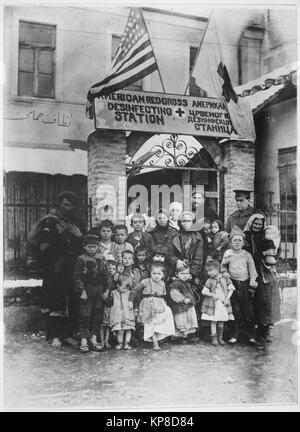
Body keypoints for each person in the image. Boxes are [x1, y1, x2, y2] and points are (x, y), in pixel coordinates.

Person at [25, 191, 85, 348]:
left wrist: (79, 235)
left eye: (71, 205)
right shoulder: (49, 221)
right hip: (54, 267)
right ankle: (54, 335)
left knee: (72, 301)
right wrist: (56, 236)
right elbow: (40, 244)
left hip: (72, 268)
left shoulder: (78, 223)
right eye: (65, 204)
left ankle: (68, 334)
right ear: (60, 204)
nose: (67, 208)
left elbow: (86, 247)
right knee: (54, 301)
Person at [244, 214, 281, 343]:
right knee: (249, 302)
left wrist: (273, 258)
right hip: (247, 269)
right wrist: (260, 254)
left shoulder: (265, 236)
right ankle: (249, 331)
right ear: (251, 223)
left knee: (264, 301)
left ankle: (264, 330)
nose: (257, 226)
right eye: (255, 224)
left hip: (263, 272)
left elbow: (275, 251)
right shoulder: (246, 236)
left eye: (260, 224)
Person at [221, 226, 259, 346]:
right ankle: (234, 335)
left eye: (239, 240)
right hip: (233, 284)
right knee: (235, 310)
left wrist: (253, 279)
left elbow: (252, 269)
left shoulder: (247, 255)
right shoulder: (228, 253)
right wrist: (225, 272)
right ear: (231, 242)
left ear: (244, 242)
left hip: (245, 284)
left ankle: (251, 335)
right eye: (234, 240)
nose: (237, 242)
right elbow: (222, 266)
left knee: (248, 310)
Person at [74, 233, 110, 353]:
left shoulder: (102, 258)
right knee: (85, 315)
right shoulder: (81, 259)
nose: (92, 249)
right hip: (87, 290)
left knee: (98, 315)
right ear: (84, 246)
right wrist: (82, 290)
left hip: (99, 291)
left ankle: (94, 339)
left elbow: (107, 275)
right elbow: (77, 277)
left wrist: (107, 290)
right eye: (89, 247)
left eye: (94, 247)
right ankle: (84, 340)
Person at [129, 263, 175, 350]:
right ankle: (155, 342)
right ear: (150, 273)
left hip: (159, 304)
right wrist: (130, 301)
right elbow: (134, 291)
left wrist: (164, 304)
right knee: (151, 323)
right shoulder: (145, 281)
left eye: (159, 274)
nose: (156, 276)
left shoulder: (162, 283)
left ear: (163, 275)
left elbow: (163, 296)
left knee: (164, 317)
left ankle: (159, 338)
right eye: (154, 273)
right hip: (148, 305)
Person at [201, 259, 235, 346]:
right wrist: (211, 294)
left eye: (211, 270)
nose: (209, 273)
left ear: (218, 268)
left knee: (221, 321)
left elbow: (231, 288)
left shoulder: (225, 278)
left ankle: (220, 338)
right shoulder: (209, 280)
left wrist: (227, 298)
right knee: (214, 321)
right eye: (207, 271)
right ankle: (214, 339)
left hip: (223, 303)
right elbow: (204, 291)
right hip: (214, 303)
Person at [168, 266, 198, 343]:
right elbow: (174, 293)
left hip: (188, 306)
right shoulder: (176, 283)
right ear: (177, 274)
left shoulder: (187, 283)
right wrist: (183, 299)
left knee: (189, 319)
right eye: (182, 273)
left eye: (187, 273)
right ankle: (180, 337)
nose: (185, 275)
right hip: (180, 306)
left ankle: (188, 335)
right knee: (180, 320)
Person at [109, 275, 136, 350]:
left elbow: (135, 301)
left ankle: (127, 343)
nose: (126, 289)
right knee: (120, 331)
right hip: (118, 316)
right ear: (118, 285)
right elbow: (109, 302)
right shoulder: (113, 293)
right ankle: (119, 343)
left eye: (127, 288)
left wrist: (136, 309)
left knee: (128, 330)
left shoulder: (130, 293)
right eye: (124, 287)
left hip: (128, 315)